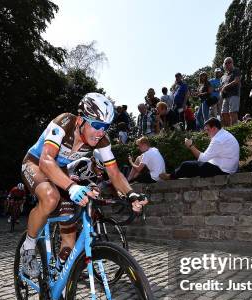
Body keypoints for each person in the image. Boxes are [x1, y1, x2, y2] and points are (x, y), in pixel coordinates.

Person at [19, 93, 147, 277]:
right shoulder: (64, 122)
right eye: (96, 125)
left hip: (61, 169)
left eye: (105, 127)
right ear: (80, 120)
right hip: (35, 162)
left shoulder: (102, 141)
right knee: (50, 197)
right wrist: (71, 187)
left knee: (69, 229)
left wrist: (131, 194)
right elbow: (46, 161)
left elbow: (115, 173)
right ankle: (28, 247)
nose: (101, 132)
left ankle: (61, 275)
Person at [159, 118, 239, 180]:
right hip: (228, 169)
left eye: (207, 130)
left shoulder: (218, 140)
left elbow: (202, 159)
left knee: (186, 165)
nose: (206, 132)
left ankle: (170, 176)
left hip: (222, 170)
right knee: (194, 165)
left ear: (214, 128)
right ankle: (175, 174)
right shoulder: (224, 134)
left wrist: (191, 146)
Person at [220, 57, 241, 126]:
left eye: (229, 62)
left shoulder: (236, 70)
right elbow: (221, 87)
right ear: (224, 65)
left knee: (232, 112)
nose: (227, 64)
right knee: (224, 113)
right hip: (225, 97)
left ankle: (235, 129)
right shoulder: (223, 76)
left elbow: (236, 81)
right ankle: (228, 130)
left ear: (232, 63)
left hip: (234, 94)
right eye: (226, 63)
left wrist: (225, 87)